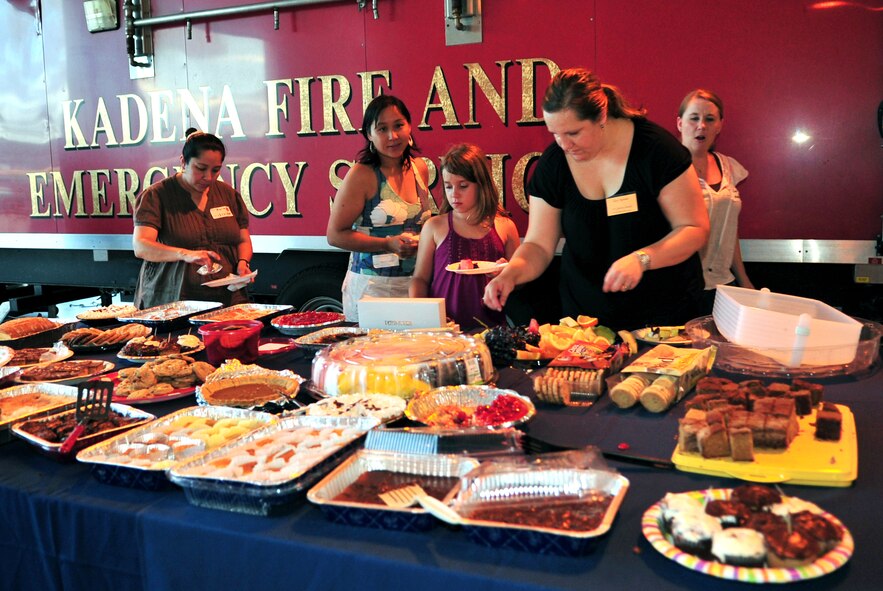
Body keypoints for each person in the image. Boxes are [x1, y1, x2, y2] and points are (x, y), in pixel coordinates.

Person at [483, 68, 709, 329]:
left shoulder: (657, 150)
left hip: (664, 317)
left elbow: (694, 229)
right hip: (586, 322)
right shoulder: (553, 164)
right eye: (555, 134)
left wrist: (642, 259)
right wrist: (511, 274)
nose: (564, 144)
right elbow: (538, 245)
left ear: (601, 116)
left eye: (574, 133)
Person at [327, 95, 438, 321]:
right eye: (382, 129)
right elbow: (335, 235)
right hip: (372, 289)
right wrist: (387, 243)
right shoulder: (362, 175)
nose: (392, 136)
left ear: (410, 126)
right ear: (369, 134)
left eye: (399, 126)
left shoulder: (420, 168)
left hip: (416, 285)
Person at [133, 128, 254, 308]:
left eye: (216, 170)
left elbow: (243, 240)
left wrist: (243, 263)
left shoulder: (228, 195)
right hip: (172, 301)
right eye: (201, 168)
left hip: (226, 300)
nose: (208, 177)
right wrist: (186, 254)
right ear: (183, 162)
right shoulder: (157, 196)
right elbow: (141, 246)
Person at [410, 143, 520, 330]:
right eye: (448, 187)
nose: (455, 195)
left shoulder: (505, 226)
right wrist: (422, 315)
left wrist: (507, 274)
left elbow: (521, 280)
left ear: (481, 185)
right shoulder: (435, 226)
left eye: (463, 186)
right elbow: (420, 278)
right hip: (444, 329)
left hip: (492, 329)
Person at [678, 89, 754, 314]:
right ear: (680, 123)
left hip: (722, 286)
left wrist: (744, 282)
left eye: (709, 119)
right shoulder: (668, 168)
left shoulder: (730, 167)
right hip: (680, 286)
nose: (701, 125)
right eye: (694, 118)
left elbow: (729, 231)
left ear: (720, 125)